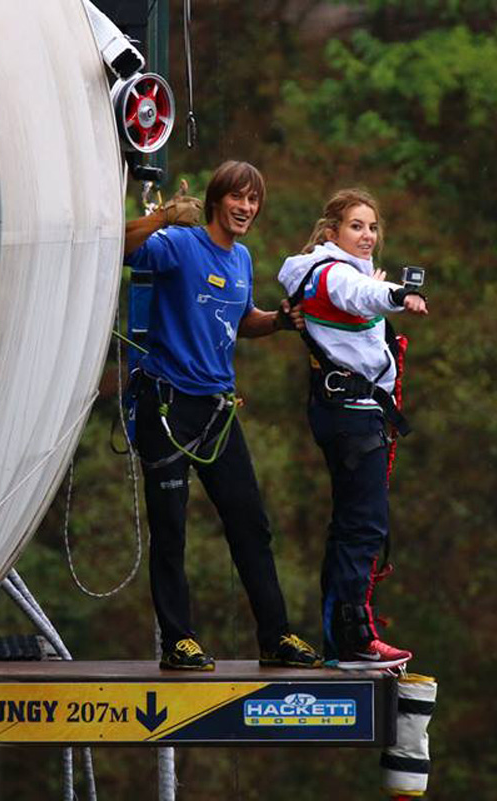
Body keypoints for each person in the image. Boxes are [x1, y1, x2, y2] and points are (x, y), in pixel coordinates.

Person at [124, 161, 322, 671]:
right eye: (238, 197)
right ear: (216, 199)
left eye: (253, 200)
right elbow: (121, 247)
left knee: (250, 524)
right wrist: (164, 217)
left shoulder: (242, 259)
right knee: (171, 529)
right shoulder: (180, 243)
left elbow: (243, 319)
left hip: (217, 410)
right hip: (168, 405)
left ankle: (275, 637)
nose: (246, 208)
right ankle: (179, 640)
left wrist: (278, 321)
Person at [277, 188, 428, 668]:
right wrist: (398, 295)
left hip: (348, 412)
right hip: (353, 414)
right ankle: (354, 638)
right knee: (364, 525)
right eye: (356, 226)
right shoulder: (334, 275)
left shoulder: (332, 272)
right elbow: (360, 293)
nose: (367, 236)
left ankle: (341, 637)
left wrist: (377, 287)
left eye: (373, 227)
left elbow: (360, 294)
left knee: (350, 526)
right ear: (331, 232)